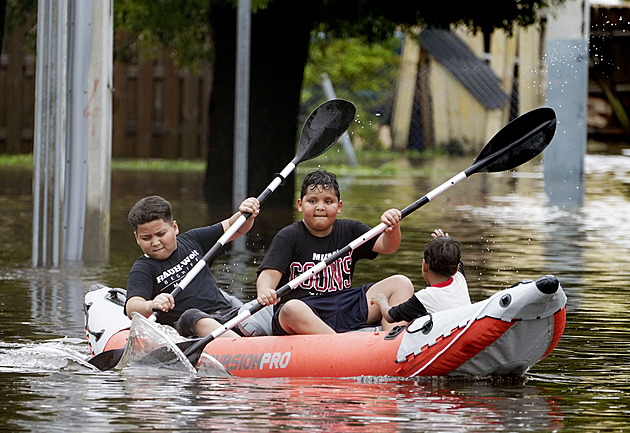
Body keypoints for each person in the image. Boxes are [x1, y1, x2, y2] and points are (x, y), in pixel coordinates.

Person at [256, 169, 414, 335]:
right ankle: (342, 348)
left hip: (344, 304)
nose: (320, 207)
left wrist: (392, 227)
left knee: (401, 283)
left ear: (339, 207)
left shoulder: (350, 229)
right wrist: (265, 291)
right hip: (305, 309)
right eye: (312, 201)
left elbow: (388, 246)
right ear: (300, 205)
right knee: (291, 309)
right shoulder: (288, 236)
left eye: (328, 201)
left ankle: (393, 342)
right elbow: (269, 274)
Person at [124, 195, 260, 338]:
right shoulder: (143, 269)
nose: (155, 242)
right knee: (192, 315)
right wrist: (150, 304)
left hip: (225, 314)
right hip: (187, 327)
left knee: (265, 304)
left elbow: (235, 228)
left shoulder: (194, 240)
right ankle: (242, 348)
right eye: (146, 238)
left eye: (161, 234)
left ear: (174, 227)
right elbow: (132, 306)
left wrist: (245, 214)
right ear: (137, 238)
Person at [371, 229, 471, 323]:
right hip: (464, 328)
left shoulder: (423, 298)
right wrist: (444, 244)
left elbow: (390, 316)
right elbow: (455, 260)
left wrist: (382, 301)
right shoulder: (459, 279)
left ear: (425, 265)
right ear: (456, 269)